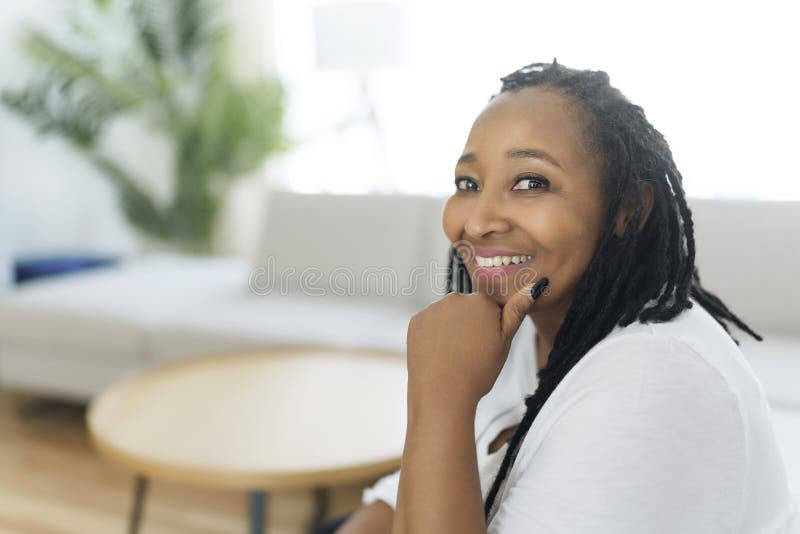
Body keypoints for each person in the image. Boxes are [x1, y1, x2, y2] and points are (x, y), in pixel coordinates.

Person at [327, 60, 798, 533]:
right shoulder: (525, 325)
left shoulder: (651, 381)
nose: (476, 221)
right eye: (468, 184)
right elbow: (397, 501)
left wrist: (439, 396)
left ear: (628, 210)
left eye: (531, 182)